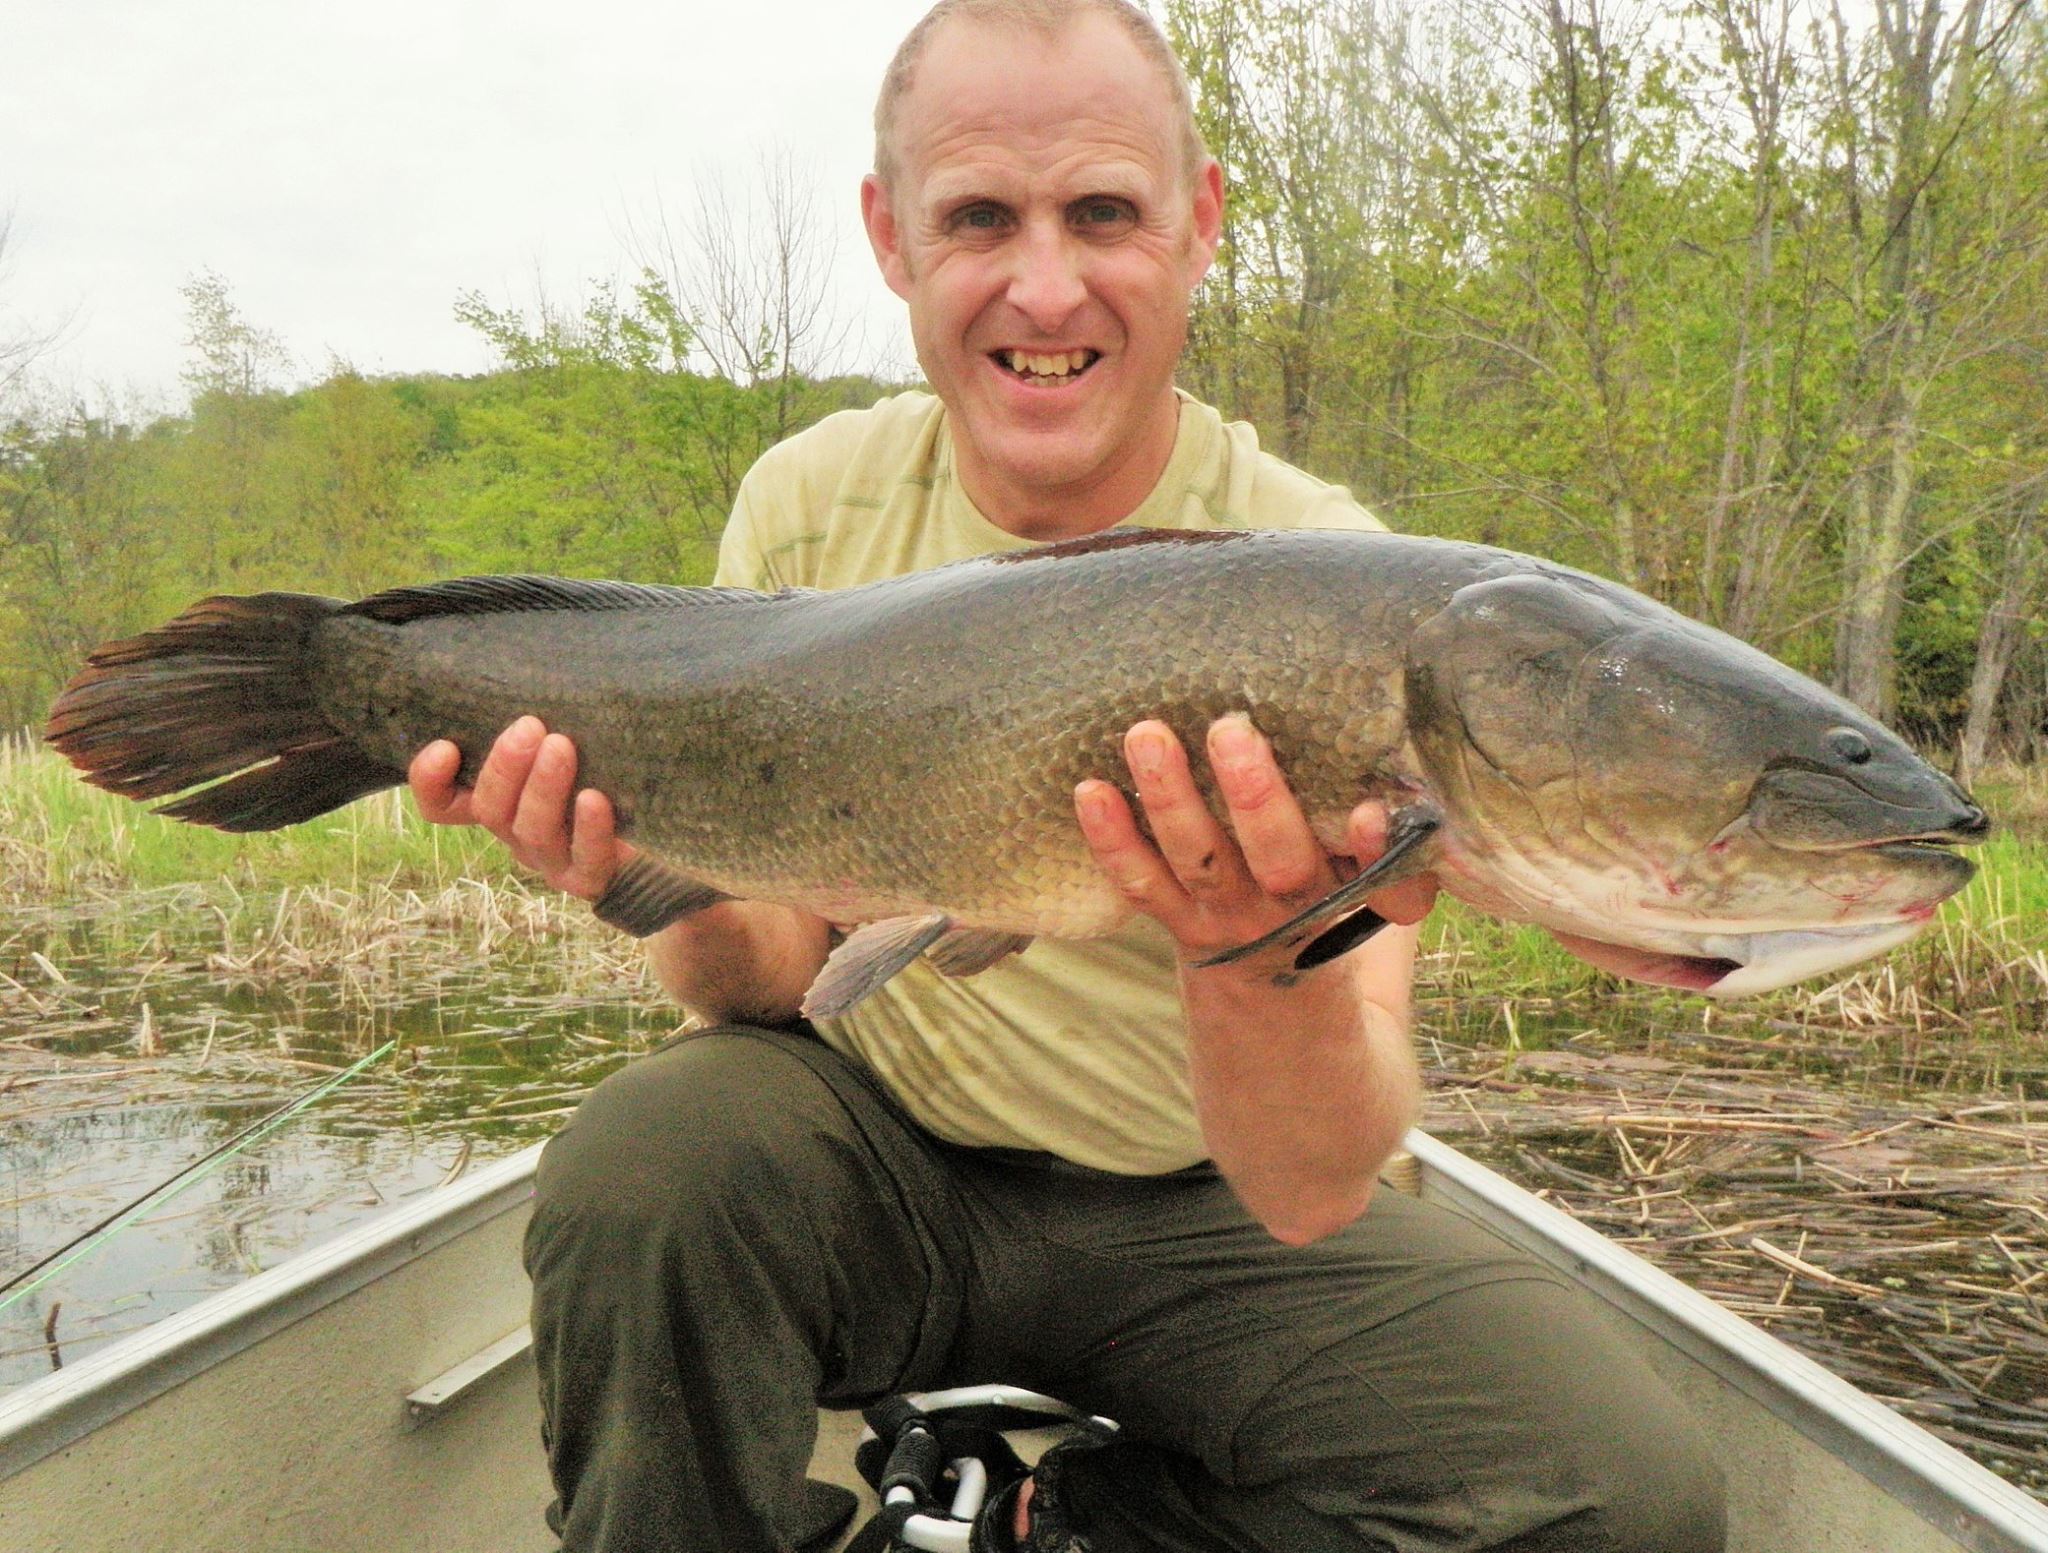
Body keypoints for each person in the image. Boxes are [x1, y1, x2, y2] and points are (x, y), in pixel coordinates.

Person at [409, 3, 1726, 1549]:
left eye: (1102, 210)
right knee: (645, 1163)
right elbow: (766, 980)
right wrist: (637, 870)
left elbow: (1308, 1186)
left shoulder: (1349, 585)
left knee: (1628, 1497)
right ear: (892, 237)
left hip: (1211, 1212)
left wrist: (1257, 956)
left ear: (1200, 224)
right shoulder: (810, 511)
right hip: (882, 1156)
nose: (1046, 283)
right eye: (980, 218)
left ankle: (1078, 1520)